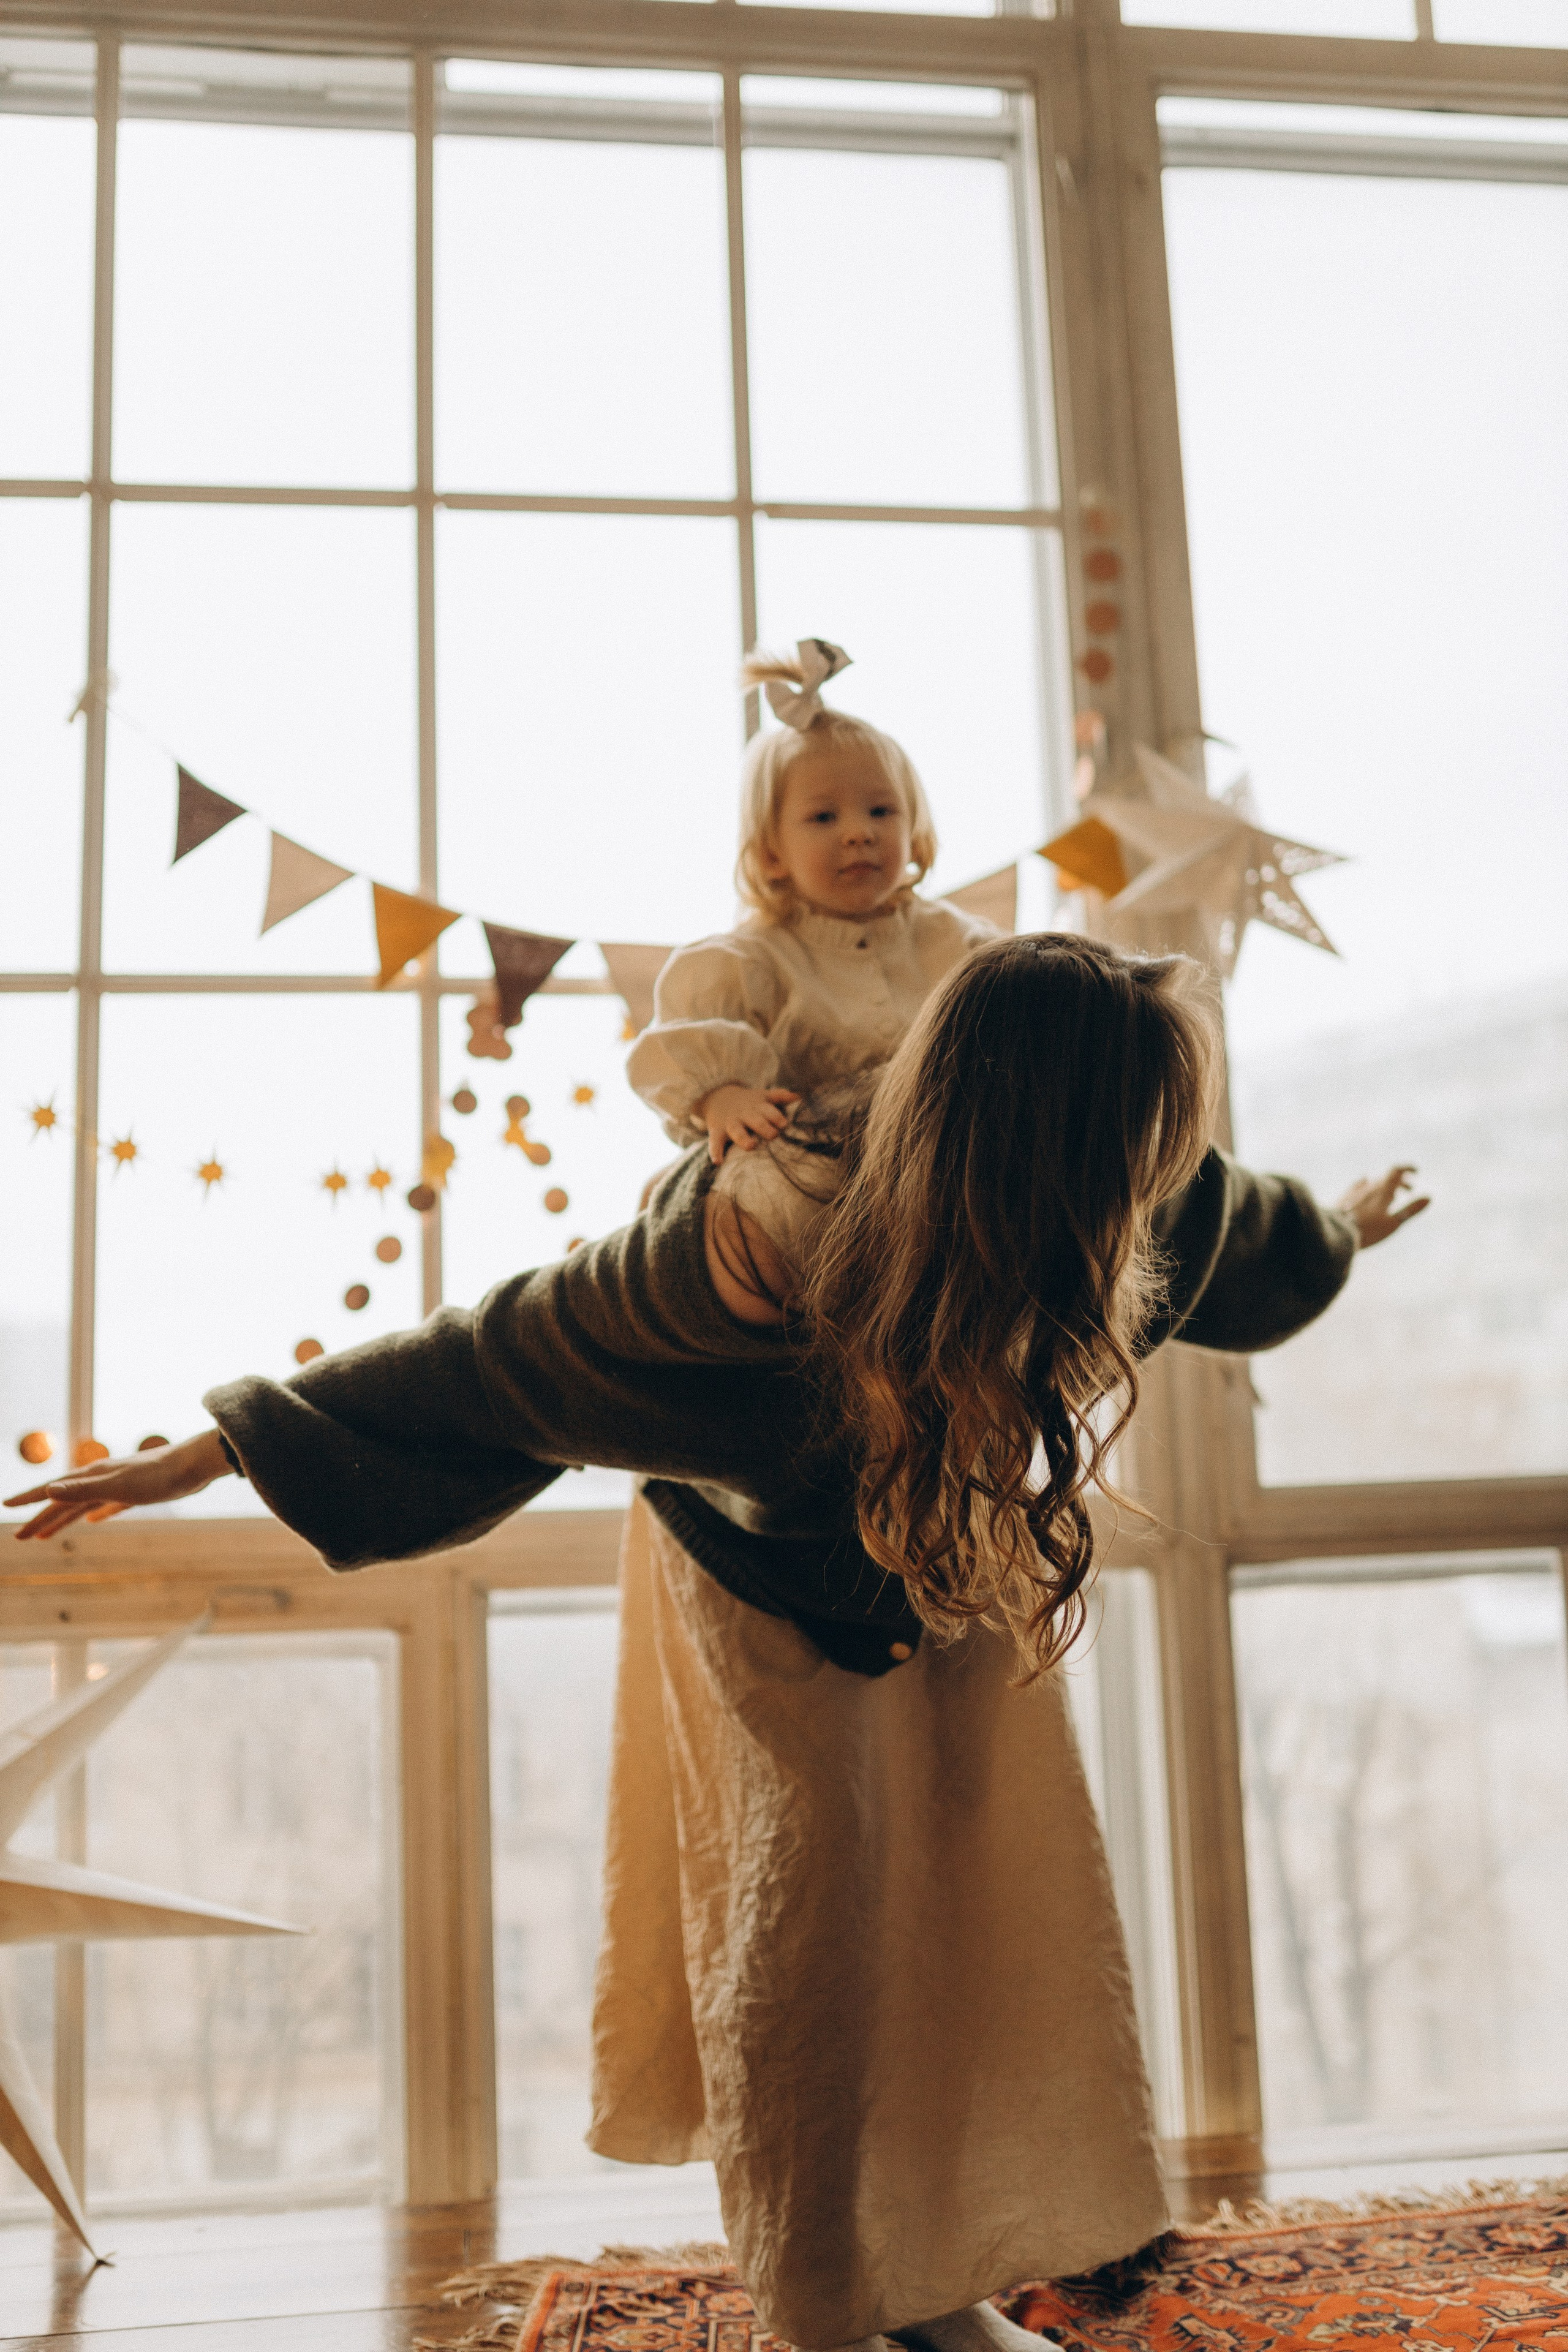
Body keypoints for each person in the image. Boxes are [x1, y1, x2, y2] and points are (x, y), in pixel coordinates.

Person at [8, 935, 1428, 2352]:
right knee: (809, 1944)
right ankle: (818, 2308)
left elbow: (1238, 1220)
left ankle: (935, 2283)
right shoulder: (738, 1255)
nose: (1162, 1169)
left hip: (946, 1554)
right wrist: (220, 1442)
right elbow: (489, 1354)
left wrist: (1342, 1232)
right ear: (1056, 1136)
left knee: (969, 1918)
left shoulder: (1114, 1199)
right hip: (758, 1592)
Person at [627, 639, 994, 1176]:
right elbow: (677, 1052)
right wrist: (723, 1098)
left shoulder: (958, 945)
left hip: (944, 1178)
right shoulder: (749, 963)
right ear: (772, 854)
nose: (859, 833)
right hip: (810, 1187)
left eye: (881, 810)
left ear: (913, 829)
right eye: (824, 818)